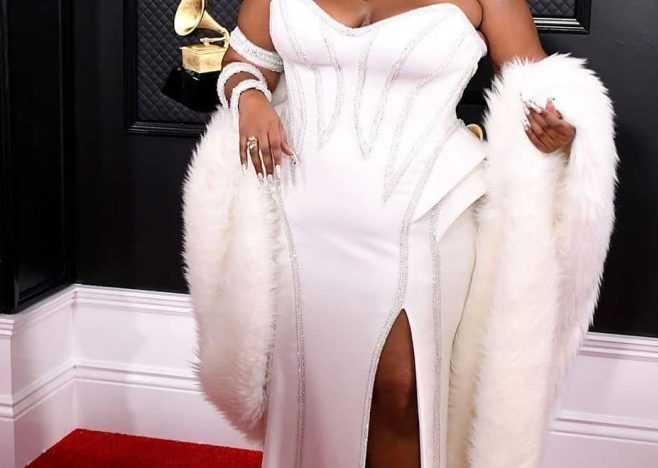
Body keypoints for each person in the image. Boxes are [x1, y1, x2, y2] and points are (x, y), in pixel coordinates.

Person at [181, 1, 618, 468]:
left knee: (403, 390)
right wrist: (250, 98)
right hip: (299, 216)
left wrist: (562, 128)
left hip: (425, 214)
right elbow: (243, 62)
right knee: (309, 392)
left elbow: (539, 85)